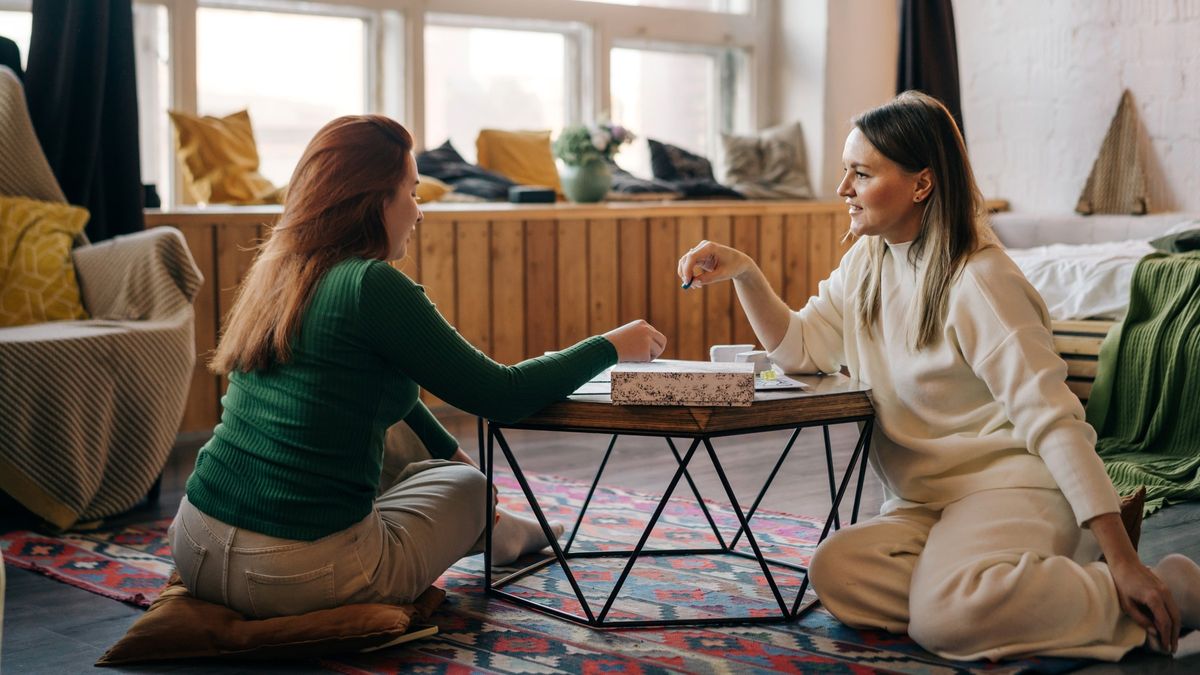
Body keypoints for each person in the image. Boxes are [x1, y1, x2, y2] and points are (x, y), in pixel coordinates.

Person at [675, 91, 1200, 661]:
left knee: (945, 620)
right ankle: (1008, 585)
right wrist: (746, 274)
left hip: (1011, 487)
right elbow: (801, 350)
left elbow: (1055, 423)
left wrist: (1123, 558)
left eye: (860, 173)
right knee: (836, 571)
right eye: (846, 172)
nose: (842, 189)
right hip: (926, 503)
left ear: (921, 183)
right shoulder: (867, 262)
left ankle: (1163, 586)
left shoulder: (981, 281)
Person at [168, 115, 666, 619]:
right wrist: (610, 345)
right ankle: (500, 529)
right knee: (471, 488)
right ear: (373, 200)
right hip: (293, 576)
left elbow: (394, 399)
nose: (418, 213)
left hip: (195, 545)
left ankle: (501, 526)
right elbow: (503, 393)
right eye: (411, 193)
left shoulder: (278, 270)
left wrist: (451, 454)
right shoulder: (370, 284)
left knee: (394, 430)